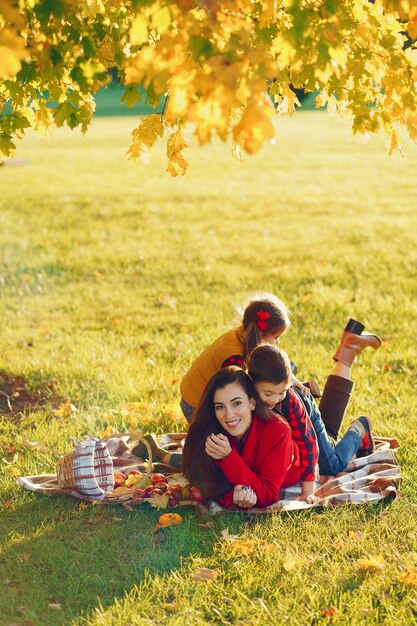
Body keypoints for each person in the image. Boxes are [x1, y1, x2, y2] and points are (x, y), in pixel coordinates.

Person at [248, 331, 379, 479]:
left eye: (281, 393)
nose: (274, 399)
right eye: (268, 394)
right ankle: (349, 348)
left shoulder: (287, 399)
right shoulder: (249, 382)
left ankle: (357, 432)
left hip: (305, 411)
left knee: (330, 466)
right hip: (296, 415)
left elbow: (307, 441)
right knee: (328, 436)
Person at [179, 292, 311, 423]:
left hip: (194, 394)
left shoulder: (243, 334)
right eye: (275, 338)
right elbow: (235, 395)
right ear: (261, 334)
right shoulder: (236, 357)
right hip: (196, 406)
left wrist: (294, 381)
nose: (277, 343)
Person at [182, 366, 301, 509]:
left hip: (301, 460)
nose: (229, 415)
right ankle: (164, 456)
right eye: (220, 406)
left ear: (252, 402)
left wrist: (228, 458)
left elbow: (267, 495)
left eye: (236, 403)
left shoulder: (279, 432)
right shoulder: (213, 430)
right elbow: (206, 486)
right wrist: (233, 499)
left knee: (333, 461)